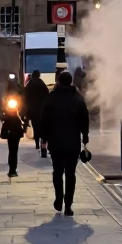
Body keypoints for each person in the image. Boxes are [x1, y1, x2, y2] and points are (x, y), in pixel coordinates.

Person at [41, 71, 90, 216]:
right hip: (72, 143)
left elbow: (44, 120)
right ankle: (68, 204)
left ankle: (58, 199)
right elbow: (84, 119)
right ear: (71, 82)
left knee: (57, 171)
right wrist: (85, 136)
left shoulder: (51, 98)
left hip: (55, 143)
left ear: (58, 81)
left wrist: (44, 139)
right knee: (70, 174)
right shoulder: (78, 98)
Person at [24, 70, 50, 155]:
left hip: (32, 109)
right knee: (42, 127)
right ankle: (43, 145)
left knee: (35, 127)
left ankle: (36, 144)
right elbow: (47, 95)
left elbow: (25, 96)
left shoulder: (29, 84)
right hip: (41, 109)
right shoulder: (42, 84)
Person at [0, 93, 25, 177]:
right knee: (13, 150)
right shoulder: (10, 115)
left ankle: (12, 169)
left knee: (13, 150)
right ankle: (12, 169)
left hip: (13, 131)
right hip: (13, 131)